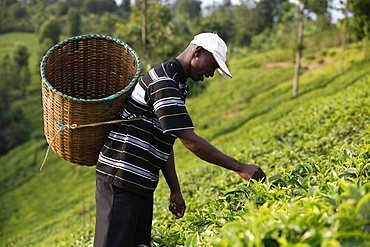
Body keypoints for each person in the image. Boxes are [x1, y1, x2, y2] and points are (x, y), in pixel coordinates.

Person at [93, 32, 266, 247]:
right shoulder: (164, 82)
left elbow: (166, 138)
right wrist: (240, 167)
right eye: (212, 65)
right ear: (197, 52)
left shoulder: (178, 84)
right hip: (121, 179)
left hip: (141, 182)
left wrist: (175, 190)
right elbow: (189, 140)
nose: (211, 73)